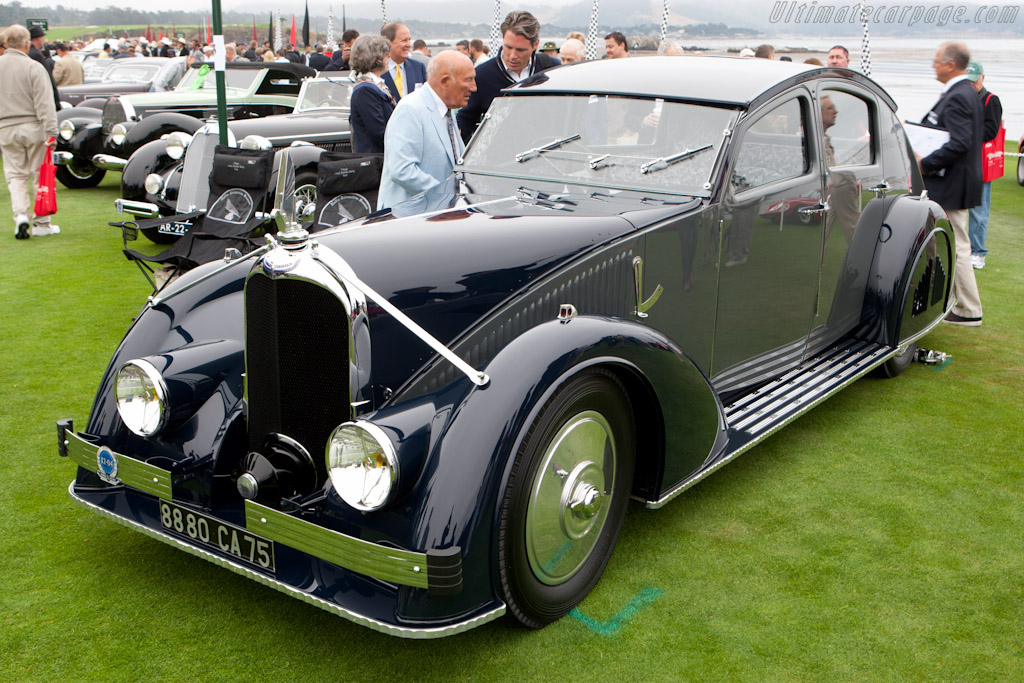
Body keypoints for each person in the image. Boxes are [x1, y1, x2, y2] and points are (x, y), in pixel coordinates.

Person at [920, 41, 984, 326]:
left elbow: (960, 143)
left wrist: (926, 162)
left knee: (957, 245)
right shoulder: (964, 92)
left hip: (952, 182)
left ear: (950, 65)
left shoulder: (959, 95)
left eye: (936, 61)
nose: (933, 66)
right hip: (956, 181)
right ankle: (952, 302)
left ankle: (969, 309)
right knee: (951, 243)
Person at [377, 50, 476, 211]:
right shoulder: (411, 109)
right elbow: (402, 171)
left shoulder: (447, 109)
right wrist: (449, 194)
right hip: (409, 222)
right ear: (444, 82)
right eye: (469, 80)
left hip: (435, 216)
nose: (474, 87)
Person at [457, 11, 558, 143]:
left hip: (547, 157)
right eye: (508, 47)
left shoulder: (552, 69)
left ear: (535, 45)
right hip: (498, 160)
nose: (512, 56)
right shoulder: (481, 75)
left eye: (520, 50)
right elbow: (464, 122)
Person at [0, 25, 60, 239]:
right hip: (33, 126)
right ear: (26, 43)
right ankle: (42, 223)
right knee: (38, 174)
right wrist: (52, 131)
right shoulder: (33, 67)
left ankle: (21, 216)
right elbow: (45, 103)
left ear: (6, 43)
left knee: (15, 175)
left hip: (5, 128)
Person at [966, 60, 1003, 270]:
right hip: (964, 161)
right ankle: (965, 248)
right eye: (969, 81)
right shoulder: (964, 99)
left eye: (975, 81)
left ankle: (978, 252)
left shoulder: (991, 100)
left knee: (979, 209)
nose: (972, 85)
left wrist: (968, 131)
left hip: (981, 162)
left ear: (983, 77)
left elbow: (992, 130)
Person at [348, 35, 396, 154]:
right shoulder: (365, 90)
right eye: (386, 55)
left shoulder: (374, 85)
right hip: (375, 160)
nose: (389, 58)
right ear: (376, 58)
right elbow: (379, 132)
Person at [381, 22, 426, 102]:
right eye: (404, 40)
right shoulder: (377, 70)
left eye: (409, 40)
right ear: (388, 42)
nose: (409, 45)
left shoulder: (418, 68)